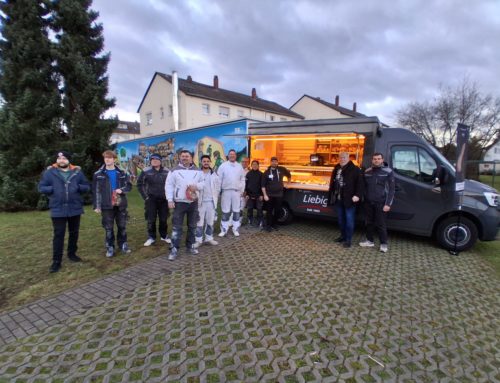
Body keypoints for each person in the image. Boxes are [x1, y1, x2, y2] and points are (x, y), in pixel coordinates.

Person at [38, 151, 90, 273]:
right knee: (58, 235)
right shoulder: (50, 173)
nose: (61, 160)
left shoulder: (77, 172)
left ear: (69, 160)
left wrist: (78, 187)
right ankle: (56, 261)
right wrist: (52, 189)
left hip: (74, 208)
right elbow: (41, 187)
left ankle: (72, 254)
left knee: (74, 233)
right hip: (58, 209)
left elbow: (86, 186)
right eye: (59, 158)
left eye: (64, 158)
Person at [93, 150, 132, 258]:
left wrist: (122, 190)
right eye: (105, 158)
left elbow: (128, 186)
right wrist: (97, 205)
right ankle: (110, 247)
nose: (107, 160)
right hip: (106, 205)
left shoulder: (122, 172)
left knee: (122, 226)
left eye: (110, 158)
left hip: (120, 204)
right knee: (108, 228)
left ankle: (123, 244)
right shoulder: (98, 174)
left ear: (114, 159)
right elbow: (96, 190)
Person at [165, 150, 204, 260]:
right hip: (179, 203)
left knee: (192, 226)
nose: (185, 158)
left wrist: (196, 186)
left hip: (193, 202)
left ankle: (190, 246)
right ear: (180, 157)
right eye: (183, 156)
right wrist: (169, 200)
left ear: (191, 158)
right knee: (177, 227)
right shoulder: (174, 171)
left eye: (187, 156)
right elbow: (169, 186)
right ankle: (174, 249)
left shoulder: (198, 170)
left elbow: (203, 183)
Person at [359, 153, 396, 253]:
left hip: (381, 203)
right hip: (368, 202)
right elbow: (363, 187)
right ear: (372, 160)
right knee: (368, 223)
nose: (376, 161)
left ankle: (384, 244)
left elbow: (392, 190)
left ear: (382, 160)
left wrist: (388, 204)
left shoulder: (388, 172)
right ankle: (370, 241)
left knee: (381, 224)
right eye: (374, 159)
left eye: (378, 159)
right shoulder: (367, 172)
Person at [328, 152, 363, 248]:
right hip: (338, 199)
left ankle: (348, 240)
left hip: (349, 200)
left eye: (344, 157)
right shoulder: (337, 168)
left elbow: (360, 184)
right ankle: (342, 236)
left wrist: (357, 195)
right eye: (340, 157)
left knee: (349, 221)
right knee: (340, 220)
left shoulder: (355, 169)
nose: (342, 159)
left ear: (348, 158)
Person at [137, 153, 170, 247]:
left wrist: (169, 196)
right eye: (152, 159)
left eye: (156, 159)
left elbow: (171, 184)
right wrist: (145, 197)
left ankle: (164, 235)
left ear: (160, 161)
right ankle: (151, 237)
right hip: (151, 199)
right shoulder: (146, 171)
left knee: (163, 219)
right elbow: (140, 184)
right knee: (151, 219)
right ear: (150, 161)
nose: (154, 161)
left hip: (164, 199)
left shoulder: (166, 171)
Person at [217, 149, 245, 237]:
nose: (232, 156)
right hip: (226, 191)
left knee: (236, 211)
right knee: (225, 211)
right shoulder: (223, 166)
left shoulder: (239, 166)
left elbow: (242, 179)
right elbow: (218, 180)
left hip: (236, 192)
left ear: (235, 156)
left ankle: (235, 229)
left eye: (233, 154)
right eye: (230, 154)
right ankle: (224, 230)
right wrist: (218, 191)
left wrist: (242, 190)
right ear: (228, 156)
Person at [194, 155, 221, 247]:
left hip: (211, 202)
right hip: (200, 202)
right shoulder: (197, 173)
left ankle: (209, 238)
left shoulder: (214, 174)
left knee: (210, 221)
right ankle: (198, 240)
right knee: (199, 222)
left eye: (207, 161)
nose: (206, 163)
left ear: (210, 162)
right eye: (204, 161)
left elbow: (218, 187)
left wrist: (216, 197)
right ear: (201, 162)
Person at [261, 156, 291, 232]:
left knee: (278, 210)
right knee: (269, 211)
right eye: (273, 161)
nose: (274, 163)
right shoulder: (266, 172)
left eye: (275, 161)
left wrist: (288, 184)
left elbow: (289, 175)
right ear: (270, 162)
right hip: (269, 195)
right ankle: (268, 225)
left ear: (277, 162)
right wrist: (265, 195)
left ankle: (274, 223)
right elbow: (263, 185)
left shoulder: (282, 169)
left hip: (279, 194)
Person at [245, 160, 264, 227]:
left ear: (258, 166)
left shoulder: (261, 174)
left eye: (256, 164)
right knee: (250, 208)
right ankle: (250, 220)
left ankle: (260, 221)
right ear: (251, 165)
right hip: (250, 195)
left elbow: (262, 185)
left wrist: (262, 195)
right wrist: (247, 194)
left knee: (259, 208)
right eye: (253, 164)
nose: (254, 165)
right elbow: (246, 185)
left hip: (258, 195)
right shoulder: (248, 174)